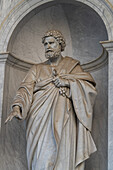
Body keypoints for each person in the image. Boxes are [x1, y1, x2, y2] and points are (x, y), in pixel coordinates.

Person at [5, 30, 97, 170]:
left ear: (60, 45)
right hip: (39, 120)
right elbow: (25, 89)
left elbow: (89, 89)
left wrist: (68, 83)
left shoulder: (72, 66)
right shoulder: (37, 69)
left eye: (52, 43)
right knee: (41, 158)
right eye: (45, 44)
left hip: (65, 119)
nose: (48, 46)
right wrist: (17, 107)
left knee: (64, 157)